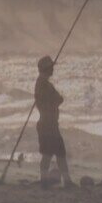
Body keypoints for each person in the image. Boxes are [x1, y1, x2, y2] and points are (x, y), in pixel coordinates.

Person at [35, 56, 76, 189]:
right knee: (49, 153)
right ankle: (46, 180)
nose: (53, 69)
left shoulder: (42, 83)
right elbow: (57, 100)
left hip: (50, 124)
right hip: (48, 125)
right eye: (51, 67)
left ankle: (63, 180)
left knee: (59, 152)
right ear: (47, 69)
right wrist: (56, 99)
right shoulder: (44, 84)